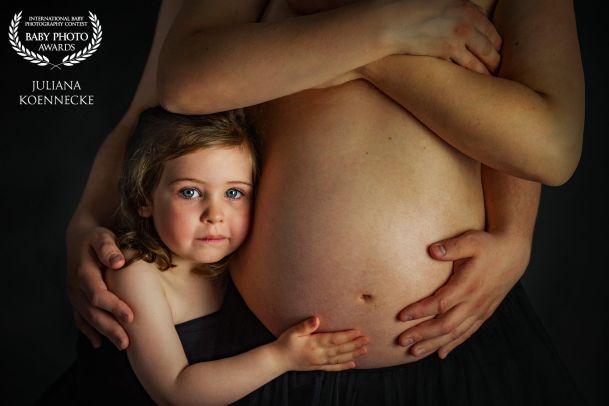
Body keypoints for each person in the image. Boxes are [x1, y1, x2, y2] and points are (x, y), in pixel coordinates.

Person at [66, 0, 587, 404]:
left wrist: (517, 233)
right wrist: (385, 28)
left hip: (453, 341)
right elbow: (166, 97)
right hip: (254, 350)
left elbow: (549, 146)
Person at [41, 107, 369, 405]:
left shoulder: (233, 264)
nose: (215, 214)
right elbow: (176, 393)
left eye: (234, 193)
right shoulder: (135, 271)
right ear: (145, 199)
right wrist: (282, 358)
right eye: (191, 192)